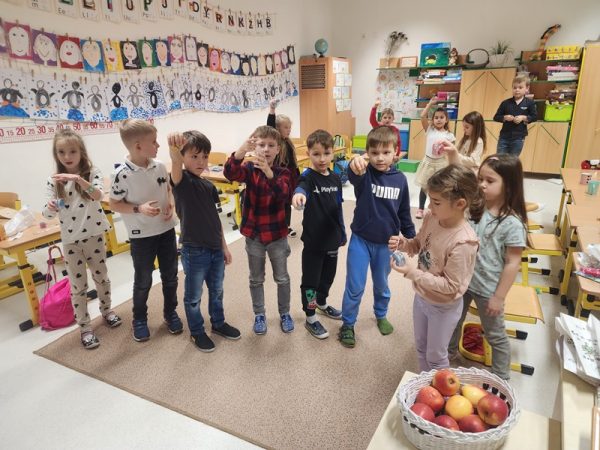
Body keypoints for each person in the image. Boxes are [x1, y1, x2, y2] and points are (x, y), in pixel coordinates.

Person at [389, 164, 483, 371]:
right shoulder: (432, 217)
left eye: (436, 202)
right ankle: (425, 383)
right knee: (421, 348)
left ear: (460, 204)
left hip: (443, 307)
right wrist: (405, 244)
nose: (429, 206)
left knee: (436, 356)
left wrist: (413, 273)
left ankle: (437, 388)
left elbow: (451, 286)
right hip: (421, 296)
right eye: (430, 200)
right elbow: (420, 243)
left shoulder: (464, 242)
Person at [447, 154, 527, 379]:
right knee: (453, 322)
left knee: (495, 335)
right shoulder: (475, 206)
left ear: (508, 185)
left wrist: (499, 297)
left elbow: (513, 263)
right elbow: (459, 177)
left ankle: (502, 378)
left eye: (489, 181)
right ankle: (448, 356)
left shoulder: (512, 223)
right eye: (480, 178)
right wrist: (452, 155)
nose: (482, 184)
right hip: (462, 282)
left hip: (488, 290)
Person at [42, 129, 121, 349]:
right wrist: (50, 207)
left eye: (72, 151)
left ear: (81, 152)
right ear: (56, 154)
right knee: (78, 287)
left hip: (94, 236)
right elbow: (47, 214)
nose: (67, 156)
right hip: (71, 241)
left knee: (101, 278)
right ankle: (85, 328)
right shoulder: (53, 181)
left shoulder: (92, 172)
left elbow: (98, 195)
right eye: (61, 152)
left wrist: (78, 179)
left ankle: (107, 311)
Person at [338, 126, 416, 348]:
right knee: (355, 286)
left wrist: (412, 239)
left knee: (382, 285)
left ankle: (381, 314)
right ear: (368, 153)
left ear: (395, 153)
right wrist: (355, 162)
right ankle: (348, 324)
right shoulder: (365, 175)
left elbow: (404, 212)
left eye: (386, 152)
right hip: (361, 241)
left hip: (386, 245)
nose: (380, 158)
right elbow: (352, 174)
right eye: (374, 153)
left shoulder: (400, 180)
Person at [167, 131, 241, 352]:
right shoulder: (181, 181)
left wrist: (224, 247)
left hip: (215, 249)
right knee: (194, 297)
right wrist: (174, 154)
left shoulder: (209, 186)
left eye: (204, 157)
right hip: (194, 250)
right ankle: (197, 331)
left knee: (217, 290)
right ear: (183, 157)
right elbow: (176, 167)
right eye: (194, 156)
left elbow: (216, 220)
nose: (201, 161)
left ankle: (218, 323)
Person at [109, 119, 182, 342]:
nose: (158, 145)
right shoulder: (121, 174)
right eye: (154, 141)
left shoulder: (159, 166)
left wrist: (170, 203)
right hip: (141, 237)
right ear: (138, 146)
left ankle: (170, 312)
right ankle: (139, 318)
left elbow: (168, 189)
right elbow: (114, 204)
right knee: (143, 281)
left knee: (170, 276)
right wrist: (138, 208)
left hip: (166, 231)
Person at [223, 126, 294, 335]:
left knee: (282, 278)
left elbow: (284, 194)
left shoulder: (283, 173)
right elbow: (230, 173)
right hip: (254, 235)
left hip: (277, 235)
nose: (266, 149)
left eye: (271, 145)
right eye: (261, 145)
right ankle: (259, 314)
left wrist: (269, 173)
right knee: (256, 278)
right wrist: (241, 150)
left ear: (278, 149)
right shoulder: (249, 168)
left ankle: (284, 313)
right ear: (255, 147)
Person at [291, 129, 346, 339]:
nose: (322, 159)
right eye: (316, 154)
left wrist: (342, 233)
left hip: (333, 239)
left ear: (333, 152)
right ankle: (311, 316)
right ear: (308, 154)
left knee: (328, 277)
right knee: (311, 282)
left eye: (326, 153)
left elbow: (339, 208)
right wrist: (298, 196)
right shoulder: (307, 177)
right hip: (314, 242)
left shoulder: (335, 178)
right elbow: (300, 188)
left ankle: (322, 303)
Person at [414, 97, 455, 219]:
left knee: (439, 188)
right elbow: (422, 116)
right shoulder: (429, 130)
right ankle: (420, 209)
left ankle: (435, 208)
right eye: (436, 117)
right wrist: (430, 104)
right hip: (428, 162)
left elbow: (452, 151)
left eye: (441, 117)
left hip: (441, 163)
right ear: (433, 120)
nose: (439, 120)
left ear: (446, 120)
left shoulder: (449, 135)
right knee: (424, 187)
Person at [267, 99, 300, 237]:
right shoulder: (276, 140)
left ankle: (286, 226)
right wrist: (272, 110)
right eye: (286, 127)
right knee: (280, 202)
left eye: (289, 127)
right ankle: (279, 225)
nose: (289, 129)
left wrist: (298, 177)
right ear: (278, 129)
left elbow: (293, 162)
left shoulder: (288, 142)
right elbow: (270, 126)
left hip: (290, 176)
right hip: (279, 177)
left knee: (287, 203)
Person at [493, 75, 537, 156]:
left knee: (513, 160)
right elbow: (496, 117)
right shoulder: (505, 103)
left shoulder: (530, 103)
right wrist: (505, 117)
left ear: (527, 88)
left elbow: (534, 117)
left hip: (519, 138)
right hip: (504, 137)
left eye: (520, 87)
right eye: (514, 87)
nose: (517, 90)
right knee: (500, 159)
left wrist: (524, 118)